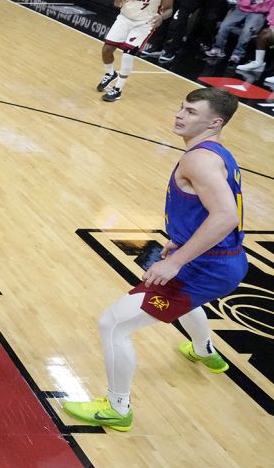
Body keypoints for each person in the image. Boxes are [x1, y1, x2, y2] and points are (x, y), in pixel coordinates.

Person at [63, 87, 246, 432]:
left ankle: (117, 409)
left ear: (215, 122)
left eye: (191, 112)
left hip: (205, 266)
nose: (179, 115)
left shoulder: (199, 159)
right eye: (181, 107)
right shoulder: (217, 153)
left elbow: (224, 216)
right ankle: (204, 350)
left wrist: (177, 261)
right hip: (219, 260)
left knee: (112, 324)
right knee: (187, 301)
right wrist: (181, 242)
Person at [96, 0, 173, 102]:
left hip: (144, 24)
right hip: (124, 19)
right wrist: (118, 0)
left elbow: (169, 9)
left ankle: (117, 89)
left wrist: (161, 17)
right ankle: (110, 74)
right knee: (106, 49)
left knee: (127, 54)